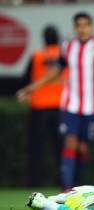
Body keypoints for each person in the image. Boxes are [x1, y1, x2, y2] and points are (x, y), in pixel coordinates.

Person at [17, 12, 94, 191]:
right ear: (75, 28)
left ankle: (76, 184)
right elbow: (55, 72)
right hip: (70, 104)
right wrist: (31, 88)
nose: (82, 29)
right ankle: (67, 189)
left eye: (85, 25)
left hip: (93, 106)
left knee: (81, 148)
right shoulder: (68, 47)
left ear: (91, 27)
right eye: (79, 25)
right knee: (69, 142)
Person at [22, 25, 63, 187]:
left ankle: (34, 182)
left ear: (44, 39)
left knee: (36, 149)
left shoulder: (37, 56)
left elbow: (25, 80)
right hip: (60, 107)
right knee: (60, 149)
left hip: (39, 108)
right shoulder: (63, 56)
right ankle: (64, 182)